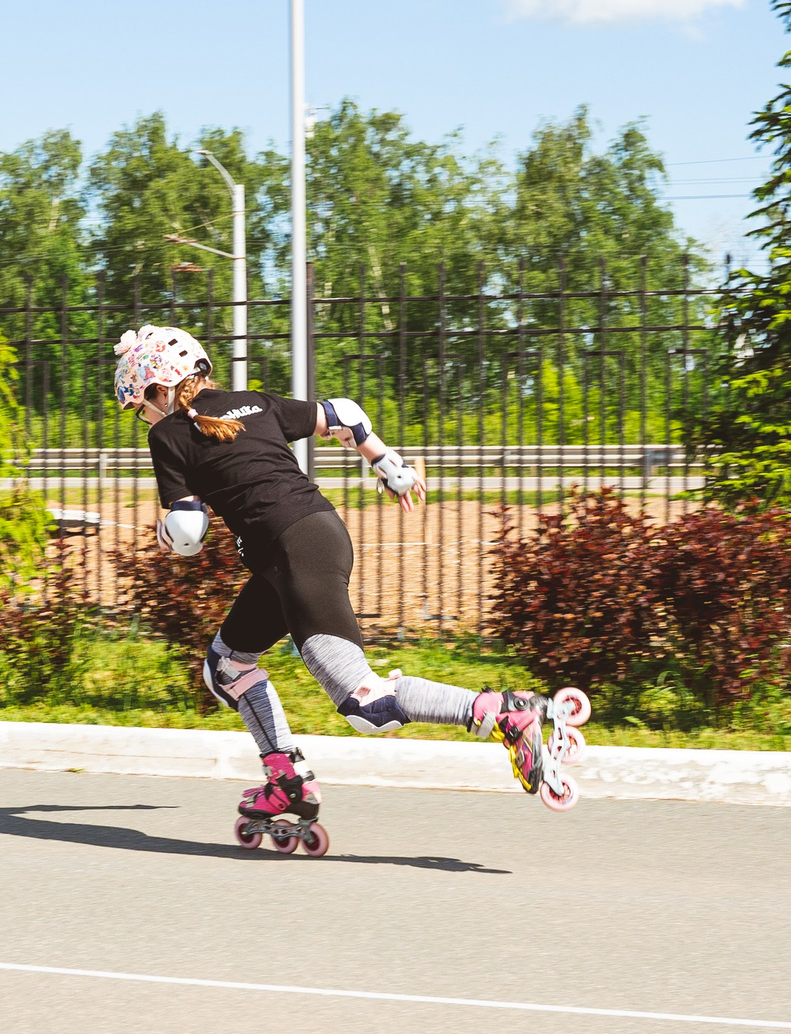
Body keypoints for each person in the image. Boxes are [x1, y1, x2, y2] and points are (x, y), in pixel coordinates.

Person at [116, 323, 586, 853]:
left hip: (295, 556)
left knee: (369, 705)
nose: (145, 417)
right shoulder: (253, 401)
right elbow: (345, 413)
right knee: (226, 665)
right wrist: (390, 467)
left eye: (142, 406)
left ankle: (503, 712)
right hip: (309, 542)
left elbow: (186, 536)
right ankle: (285, 779)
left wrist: (169, 526)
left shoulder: (168, 435)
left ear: (158, 387)